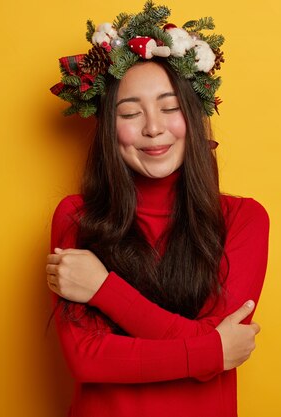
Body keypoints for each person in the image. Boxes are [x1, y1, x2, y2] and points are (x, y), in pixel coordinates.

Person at [45, 3, 269, 417]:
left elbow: (226, 340)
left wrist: (103, 289)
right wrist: (209, 351)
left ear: (193, 114)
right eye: (130, 112)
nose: (153, 128)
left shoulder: (244, 219)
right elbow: (86, 359)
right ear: (109, 128)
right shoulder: (77, 216)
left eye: (169, 108)